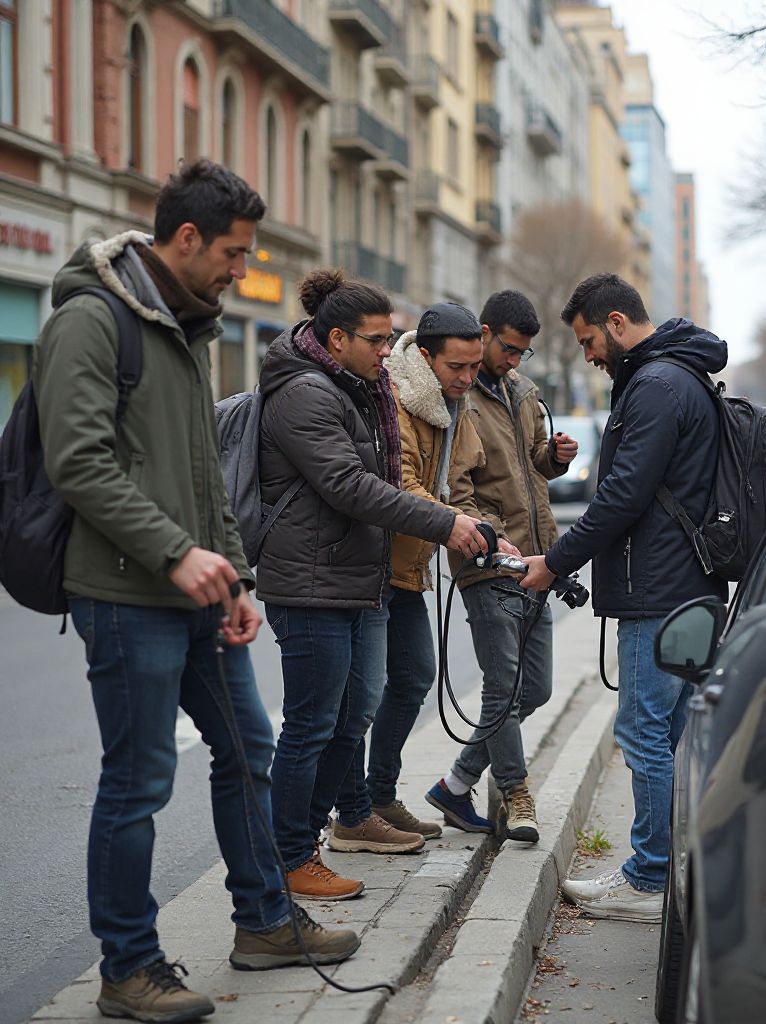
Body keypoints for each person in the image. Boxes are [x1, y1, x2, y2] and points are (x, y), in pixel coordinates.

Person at [33, 159, 359, 1024]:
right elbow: (78, 463)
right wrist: (180, 555)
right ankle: (128, 969)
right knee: (137, 783)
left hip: (196, 593)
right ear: (185, 238)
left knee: (250, 748)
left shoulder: (186, 326)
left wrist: (236, 575)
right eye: (234, 252)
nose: (241, 271)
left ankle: (263, 924)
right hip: (122, 591)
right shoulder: (92, 321)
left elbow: (205, 477)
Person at [256, 271, 488, 898]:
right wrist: (444, 523)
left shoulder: (358, 386)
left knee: (351, 712)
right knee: (311, 723)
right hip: (309, 582)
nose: (391, 351)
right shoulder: (306, 393)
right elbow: (350, 486)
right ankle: (292, 854)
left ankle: (329, 831)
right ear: (337, 339)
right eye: (379, 339)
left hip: (354, 576)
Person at [520, 273, 728, 921]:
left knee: (642, 732)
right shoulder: (673, 376)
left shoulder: (657, 385)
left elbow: (622, 496)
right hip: (684, 585)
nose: (587, 354)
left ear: (615, 322)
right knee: (670, 733)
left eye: (588, 340)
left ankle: (650, 877)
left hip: (657, 591)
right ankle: (672, 863)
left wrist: (553, 562)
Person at [330, 302, 519, 846]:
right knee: (357, 697)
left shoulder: (455, 404)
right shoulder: (397, 396)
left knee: (412, 676)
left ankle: (380, 797)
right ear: (426, 357)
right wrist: (454, 525)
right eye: (456, 367)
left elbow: (458, 486)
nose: (467, 378)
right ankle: (351, 814)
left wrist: (486, 528)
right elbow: (400, 483)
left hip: (407, 565)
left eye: (474, 367)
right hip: (369, 566)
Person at [426, 290, 578, 844]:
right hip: (488, 561)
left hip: (537, 561)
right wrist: (495, 540)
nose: (515, 361)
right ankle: (515, 794)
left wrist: (554, 458)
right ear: (485, 333)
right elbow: (456, 490)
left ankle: (455, 783)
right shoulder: (460, 399)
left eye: (524, 353)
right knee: (503, 685)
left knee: (532, 688)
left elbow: (533, 468)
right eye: (510, 349)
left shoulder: (522, 392)